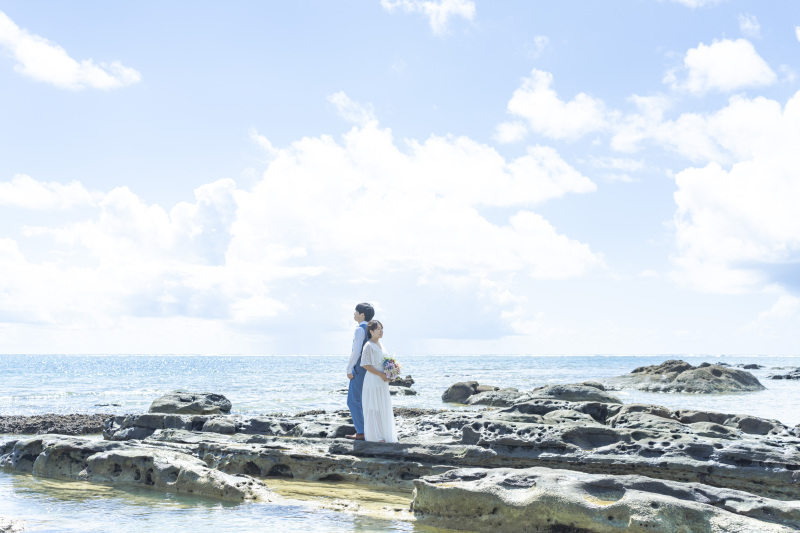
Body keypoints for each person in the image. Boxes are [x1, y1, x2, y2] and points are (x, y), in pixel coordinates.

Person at [360, 320, 398, 443]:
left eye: (382, 329)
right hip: (373, 379)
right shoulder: (368, 345)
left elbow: (386, 362)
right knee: (373, 406)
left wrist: (391, 372)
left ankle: (385, 434)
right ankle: (375, 437)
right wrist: (380, 374)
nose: (381, 331)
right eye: (378, 329)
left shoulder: (382, 345)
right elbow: (365, 364)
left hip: (382, 380)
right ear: (371, 331)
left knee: (382, 406)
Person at [345, 302, 374, 440]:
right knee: (365, 401)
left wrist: (349, 368)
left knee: (353, 401)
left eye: (356, 311)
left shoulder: (360, 329)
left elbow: (356, 351)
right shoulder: (372, 329)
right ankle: (367, 430)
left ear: (362, 315)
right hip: (370, 370)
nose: (354, 314)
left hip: (359, 369)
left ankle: (361, 432)